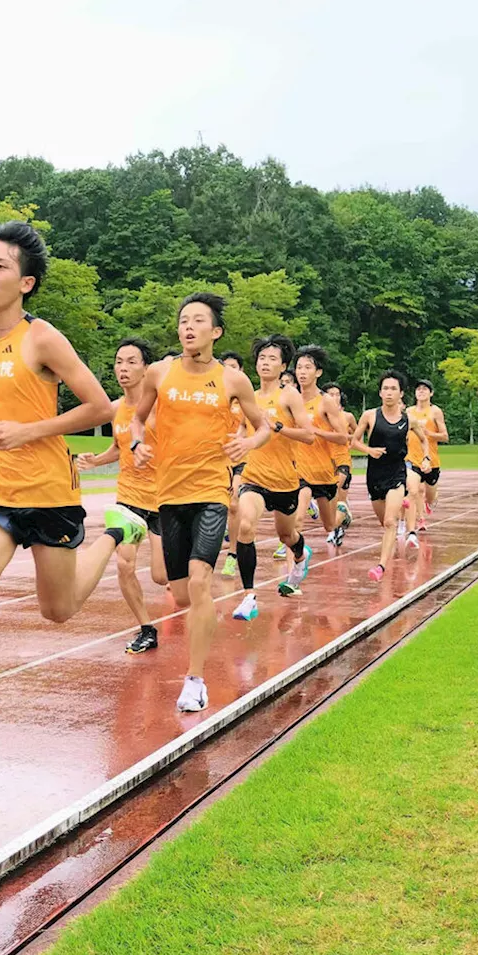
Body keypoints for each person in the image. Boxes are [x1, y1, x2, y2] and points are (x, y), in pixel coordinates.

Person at [0, 222, 146, 796]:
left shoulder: (43, 338)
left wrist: (30, 431)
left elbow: (97, 407)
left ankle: (114, 533)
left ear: (26, 281)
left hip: (50, 492)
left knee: (59, 610)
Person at [128, 293, 271, 711]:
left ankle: (195, 681)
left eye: (197, 321)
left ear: (216, 332)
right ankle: (206, 617)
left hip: (210, 491)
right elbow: (138, 417)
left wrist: (247, 442)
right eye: (183, 321)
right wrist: (137, 441)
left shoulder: (232, 380)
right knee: (182, 595)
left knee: (199, 579)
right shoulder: (160, 372)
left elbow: (263, 427)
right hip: (168, 494)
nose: (188, 327)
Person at [76, 338, 168, 654]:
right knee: (125, 565)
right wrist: (95, 460)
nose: (123, 368)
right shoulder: (115, 409)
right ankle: (146, 628)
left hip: (164, 498)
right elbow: (118, 447)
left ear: (146, 368)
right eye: (119, 362)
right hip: (129, 496)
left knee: (161, 576)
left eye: (131, 362)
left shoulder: (161, 408)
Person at [232, 335, 318, 619]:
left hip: (285, 482)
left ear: (283, 367)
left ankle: (300, 556)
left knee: (287, 534)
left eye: (272, 359)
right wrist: (235, 444)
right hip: (254, 476)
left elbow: (308, 435)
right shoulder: (249, 398)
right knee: (245, 526)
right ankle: (248, 597)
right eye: (262, 358)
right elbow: (244, 432)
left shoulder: (289, 395)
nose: (266, 363)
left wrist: (280, 427)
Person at [352, 370, 430, 582]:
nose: (389, 392)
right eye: (385, 388)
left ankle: (381, 566)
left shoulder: (409, 420)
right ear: (380, 393)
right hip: (375, 475)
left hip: (397, 473)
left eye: (393, 389)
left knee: (389, 521)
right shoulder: (370, 416)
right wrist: (369, 451)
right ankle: (394, 531)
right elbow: (354, 441)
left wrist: (426, 458)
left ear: (401, 393)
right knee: (384, 521)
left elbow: (424, 440)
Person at [293, 346, 351, 547]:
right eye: (299, 367)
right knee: (297, 519)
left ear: (318, 372)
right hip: (299, 472)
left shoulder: (325, 402)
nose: (302, 372)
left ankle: (342, 513)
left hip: (324, 472)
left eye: (307, 367)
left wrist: (316, 432)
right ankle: (295, 571)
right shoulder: (291, 398)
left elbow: (343, 438)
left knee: (329, 525)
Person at [217, 350, 247, 579]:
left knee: (235, 502)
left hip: (241, 459)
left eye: (234, 366)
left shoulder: (246, 398)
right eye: (226, 366)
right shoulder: (213, 395)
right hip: (217, 459)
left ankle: (233, 555)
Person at [406, 380, 448, 523]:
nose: (421, 391)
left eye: (425, 389)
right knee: (414, 489)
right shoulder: (408, 412)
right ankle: (420, 518)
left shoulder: (435, 411)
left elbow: (445, 436)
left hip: (431, 460)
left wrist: (428, 433)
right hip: (411, 458)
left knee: (429, 497)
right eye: (418, 389)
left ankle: (430, 499)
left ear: (431, 393)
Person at [322, 382, 356, 532]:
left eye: (337, 394)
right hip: (324, 460)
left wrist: (349, 440)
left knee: (333, 490)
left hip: (342, 460)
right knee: (334, 502)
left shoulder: (347, 416)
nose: (334, 397)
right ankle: (340, 521)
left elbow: (358, 434)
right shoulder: (320, 415)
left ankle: (336, 522)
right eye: (331, 394)